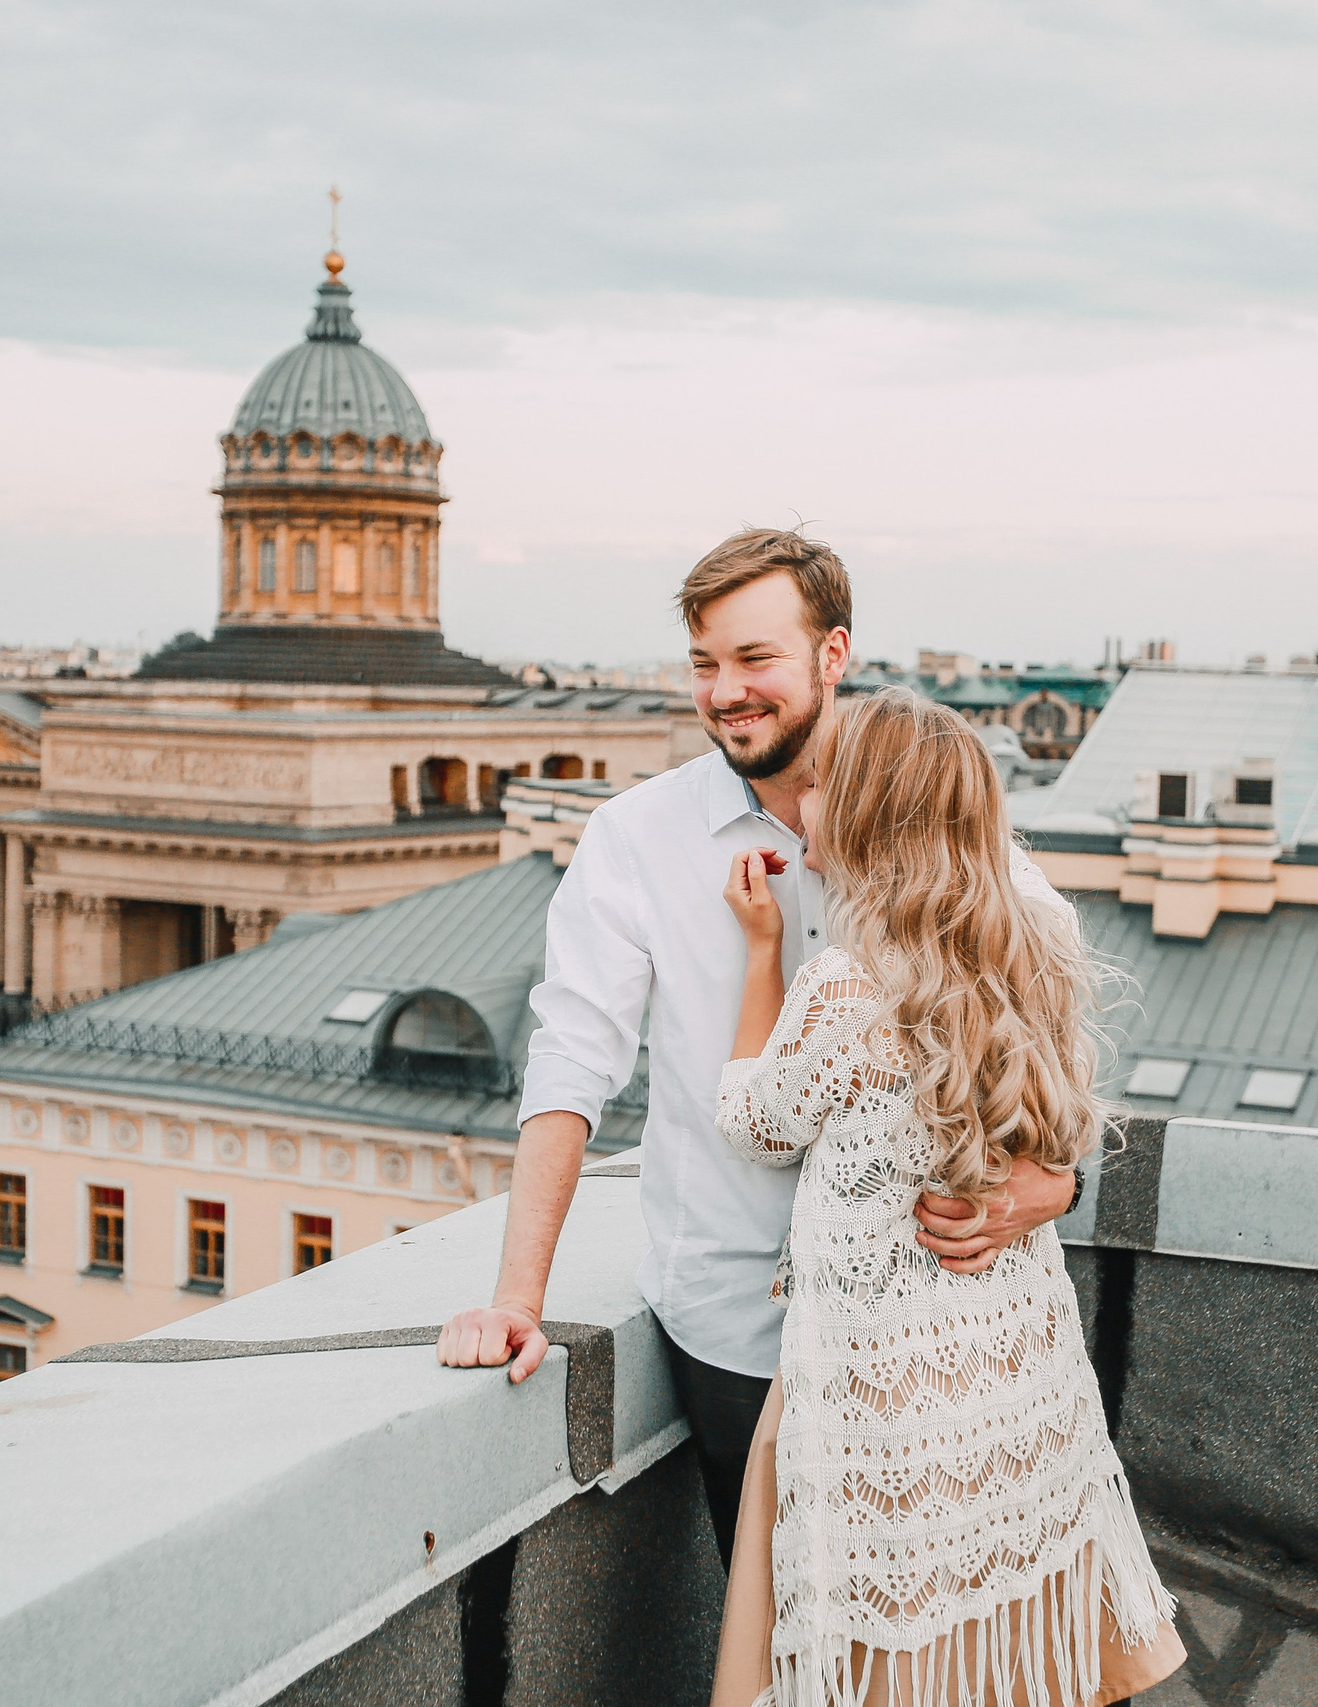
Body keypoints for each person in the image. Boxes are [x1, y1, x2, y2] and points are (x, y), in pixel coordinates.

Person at [436, 531, 1081, 1572]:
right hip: (740, 1325)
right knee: (787, 1624)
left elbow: (1041, 995)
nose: (725, 692)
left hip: (924, 1325)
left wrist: (1058, 1180)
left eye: (755, 660)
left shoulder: (924, 811)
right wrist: (518, 1300)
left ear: (832, 655)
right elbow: (571, 1059)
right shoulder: (636, 838)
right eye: (704, 663)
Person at [707, 689, 1182, 1706]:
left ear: (875, 815)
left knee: (895, 1653)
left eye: (825, 783)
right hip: (1017, 1391)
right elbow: (1055, 1135)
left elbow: (753, 1121)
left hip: (885, 1403)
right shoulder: (1027, 953)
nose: (802, 800)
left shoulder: (845, 984)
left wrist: (758, 953)